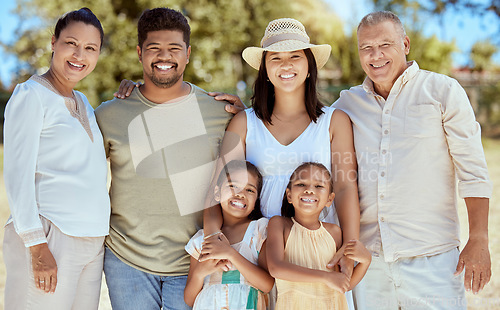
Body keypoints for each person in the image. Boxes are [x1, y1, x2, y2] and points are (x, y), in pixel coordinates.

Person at [332, 11, 492, 309]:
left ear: (405, 44)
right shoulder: (347, 103)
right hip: (368, 262)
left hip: (432, 258)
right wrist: (248, 112)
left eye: (385, 45)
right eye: (366, 47)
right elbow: (301, 122)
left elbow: (473, 171)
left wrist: (479, 238)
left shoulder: (442, 91)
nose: (375, 55)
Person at [203, 19, 360, 300]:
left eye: (295, 56)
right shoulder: (243, 123)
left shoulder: (335, 122)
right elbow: (217, 191)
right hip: (257, 257)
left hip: (317, 252)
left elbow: (347, 188)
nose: (286, 65)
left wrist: (349, 247)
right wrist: (213, 239)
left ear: (310, 66)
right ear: (265, 70)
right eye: (275, 58)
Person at [94, 7, 234, 310]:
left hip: (193, 262)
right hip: (125, 259)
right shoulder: (109, 114)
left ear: (188, 53)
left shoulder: (220, 113)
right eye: (154, 48)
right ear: (139, 53)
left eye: (174, 48)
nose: (164, 56)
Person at [3, 8, 110, 309]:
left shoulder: (85, 103)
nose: (79, 55)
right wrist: (37, 246)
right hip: (50, 237)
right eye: (71, 43)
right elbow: (16, 174)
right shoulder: (30, 96)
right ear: (54, 42)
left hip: (91, 240)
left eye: (90, 48)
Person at [266, 162, 371, 310]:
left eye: (319, 186)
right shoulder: (279, 224)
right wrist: (326, 277)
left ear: (329, 199)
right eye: (301, 184)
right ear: (289, 195)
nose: (309, 190)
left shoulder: (334, 232)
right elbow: (276, 268)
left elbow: (344, 284)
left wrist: (366, 261)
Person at [184, 160, 273, 309]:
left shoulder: (259, 231)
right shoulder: (200, 240)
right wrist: (200, 273)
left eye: (249, 190)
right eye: (233, 186)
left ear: (256, 200)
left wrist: (230, 254)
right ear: (217, 193)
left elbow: (267, 285)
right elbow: (189, 299)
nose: (241, 194)